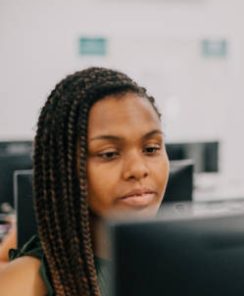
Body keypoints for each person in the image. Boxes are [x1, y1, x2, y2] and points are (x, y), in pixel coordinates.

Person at [0, 67, 170, 295]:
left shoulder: (178, 263)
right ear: (65, 167)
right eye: (109, 153)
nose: (138, 169)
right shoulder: (22, 284)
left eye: (151, 149)